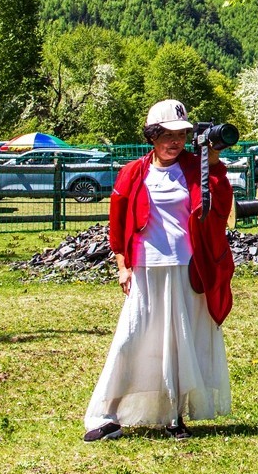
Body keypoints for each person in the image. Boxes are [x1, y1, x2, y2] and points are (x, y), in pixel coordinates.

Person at [83, 99, 235, 442]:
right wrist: (122, 265)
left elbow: (220, 206)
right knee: (131, 338)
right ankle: (106, 414)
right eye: (166, 134)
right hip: (147, 267)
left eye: (181, 135)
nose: (174, 142)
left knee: (180, 343)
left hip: (186, 267)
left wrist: (213, 165)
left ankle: (174, 417)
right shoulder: (133, 173)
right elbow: (117, 226)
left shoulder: (195, 169)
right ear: (152, 135)